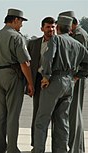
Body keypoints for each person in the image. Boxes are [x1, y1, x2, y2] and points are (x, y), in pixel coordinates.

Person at [33, 16, 88, 153]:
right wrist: (77, 76)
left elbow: (48, 57)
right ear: (70, 29)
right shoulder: (78, 45)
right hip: (69, 82)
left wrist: (46, 76)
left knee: (42, 120)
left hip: (54, 81)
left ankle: (38, 150)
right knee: (62, 121)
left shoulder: (56, 39)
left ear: (57, 28)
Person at [0, 8, 34, 153]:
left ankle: (0, 149)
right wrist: (30, 83)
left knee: (0, 115)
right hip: (13, 75)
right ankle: (13, 148)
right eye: (21, 21)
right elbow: (24, 63)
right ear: (15, 20)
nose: (21, 25)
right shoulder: (16, 37)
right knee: (13, 115)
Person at [59, 11, 88, 153]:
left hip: (76, 77)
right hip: (73, 77)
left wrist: (76, 76)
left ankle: (76, 148)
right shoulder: (76, 34)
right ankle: (77, 147)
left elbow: (82, 59)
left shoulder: (79, 35)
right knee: (73, 112)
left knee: (74, 112)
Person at [27, 17, 56, 152]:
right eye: (48, 27)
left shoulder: (59, 43)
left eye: (53, 27)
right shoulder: (33, 44)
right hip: (39, 81)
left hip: (54, 81)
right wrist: (29, 84)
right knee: (38, 113)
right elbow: (28, 64)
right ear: (42, 29)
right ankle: (36, 145)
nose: (51, 30)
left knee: (57, 115)